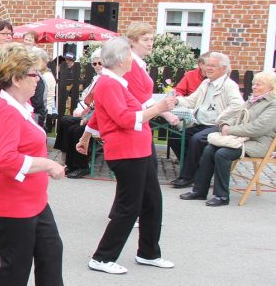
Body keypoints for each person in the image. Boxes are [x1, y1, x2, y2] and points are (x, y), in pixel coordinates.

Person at [76, 37, 176, 274]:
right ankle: (102, 257)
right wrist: (158, 109)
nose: (133, 58)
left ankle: (149, 252)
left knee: (152, 202)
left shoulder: (115, 82)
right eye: (130, 54)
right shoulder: (110, 84)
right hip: (126, 151)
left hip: (137, 150)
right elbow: (123, 119)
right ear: (121, 59)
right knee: (129, 206)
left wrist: (85, 137)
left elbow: (103, 115)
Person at [0, 42, 66, 285]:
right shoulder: (7, 110)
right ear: (16, 79)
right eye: (33, 74)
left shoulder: (19, 106)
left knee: (51, 254)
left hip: (32, 200)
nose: (38, 79)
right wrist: (47, 164)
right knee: (15, 270)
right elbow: (6, 158)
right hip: (12, 203)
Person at [180, 70, 276, 206]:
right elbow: (237, 117)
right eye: (254, 84)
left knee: (222, 153)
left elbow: (258, 128)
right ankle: (199, 191)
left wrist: (230, 130)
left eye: (259, 85)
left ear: (270, 87)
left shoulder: (272, 104)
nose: (254, 87)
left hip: (258, 143)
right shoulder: (252, 100)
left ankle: (222, 196)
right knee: (209, 149)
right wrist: (225, 123)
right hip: (241, 138)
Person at [169, 52, 244, 189]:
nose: (208, 68)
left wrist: (221, 118)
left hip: (216, 125)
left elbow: (238, 104)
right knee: (176, 137)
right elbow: (191, 100)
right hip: (201, 124)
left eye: (213, 66)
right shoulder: (206, 83)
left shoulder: (229, 85)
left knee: (197, 139)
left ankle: (187, 176)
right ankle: (196, 170)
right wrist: (176, 100)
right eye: (207, 65)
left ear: (223, 68)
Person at [54, 49, 102, 179]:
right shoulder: (96, 79)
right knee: (64, 121)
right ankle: (67, 159)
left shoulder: (107, 80)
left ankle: (81, 166)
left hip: (100, 118)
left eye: (100, 63)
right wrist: (80, 111)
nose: (97, 66)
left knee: (77, 130)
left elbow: (101, 105)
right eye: (94, 63)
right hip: (89, 112)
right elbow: (85, 97)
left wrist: (86, 118)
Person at [56, 51, 79, 117]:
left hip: (70, 95)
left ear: (73, 61)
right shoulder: (60, 69)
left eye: (70, 60)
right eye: (66, 59)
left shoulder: (74, 70)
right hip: (59, 93)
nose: (67, 61)